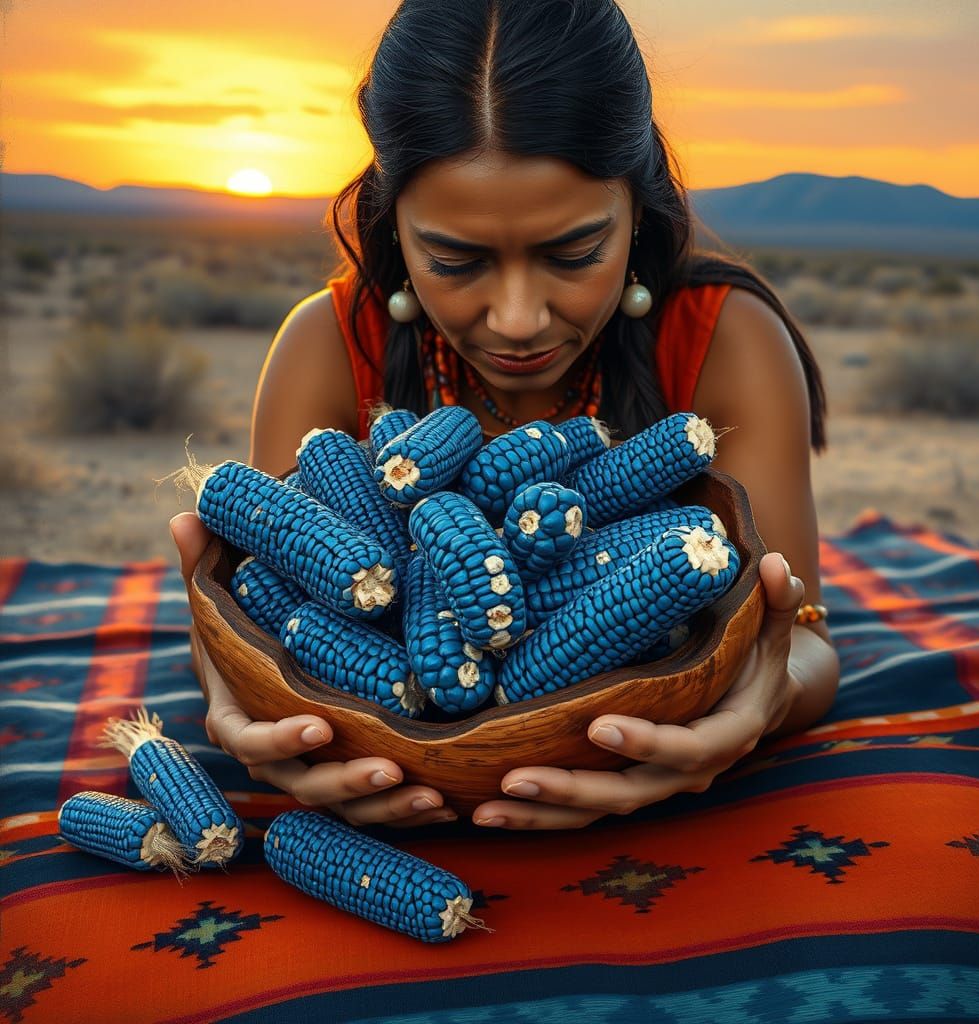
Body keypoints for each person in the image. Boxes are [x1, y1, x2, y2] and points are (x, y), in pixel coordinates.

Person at [170, 0, 840, 832]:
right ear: (393, 224)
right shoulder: (325, 345)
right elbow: (268, 613)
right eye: (455, 260)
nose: (518, 319)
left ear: (639, 209)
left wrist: (765, 703)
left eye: (575, 253)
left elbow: (800, 635)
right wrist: (228, 679)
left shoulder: (728, 342)